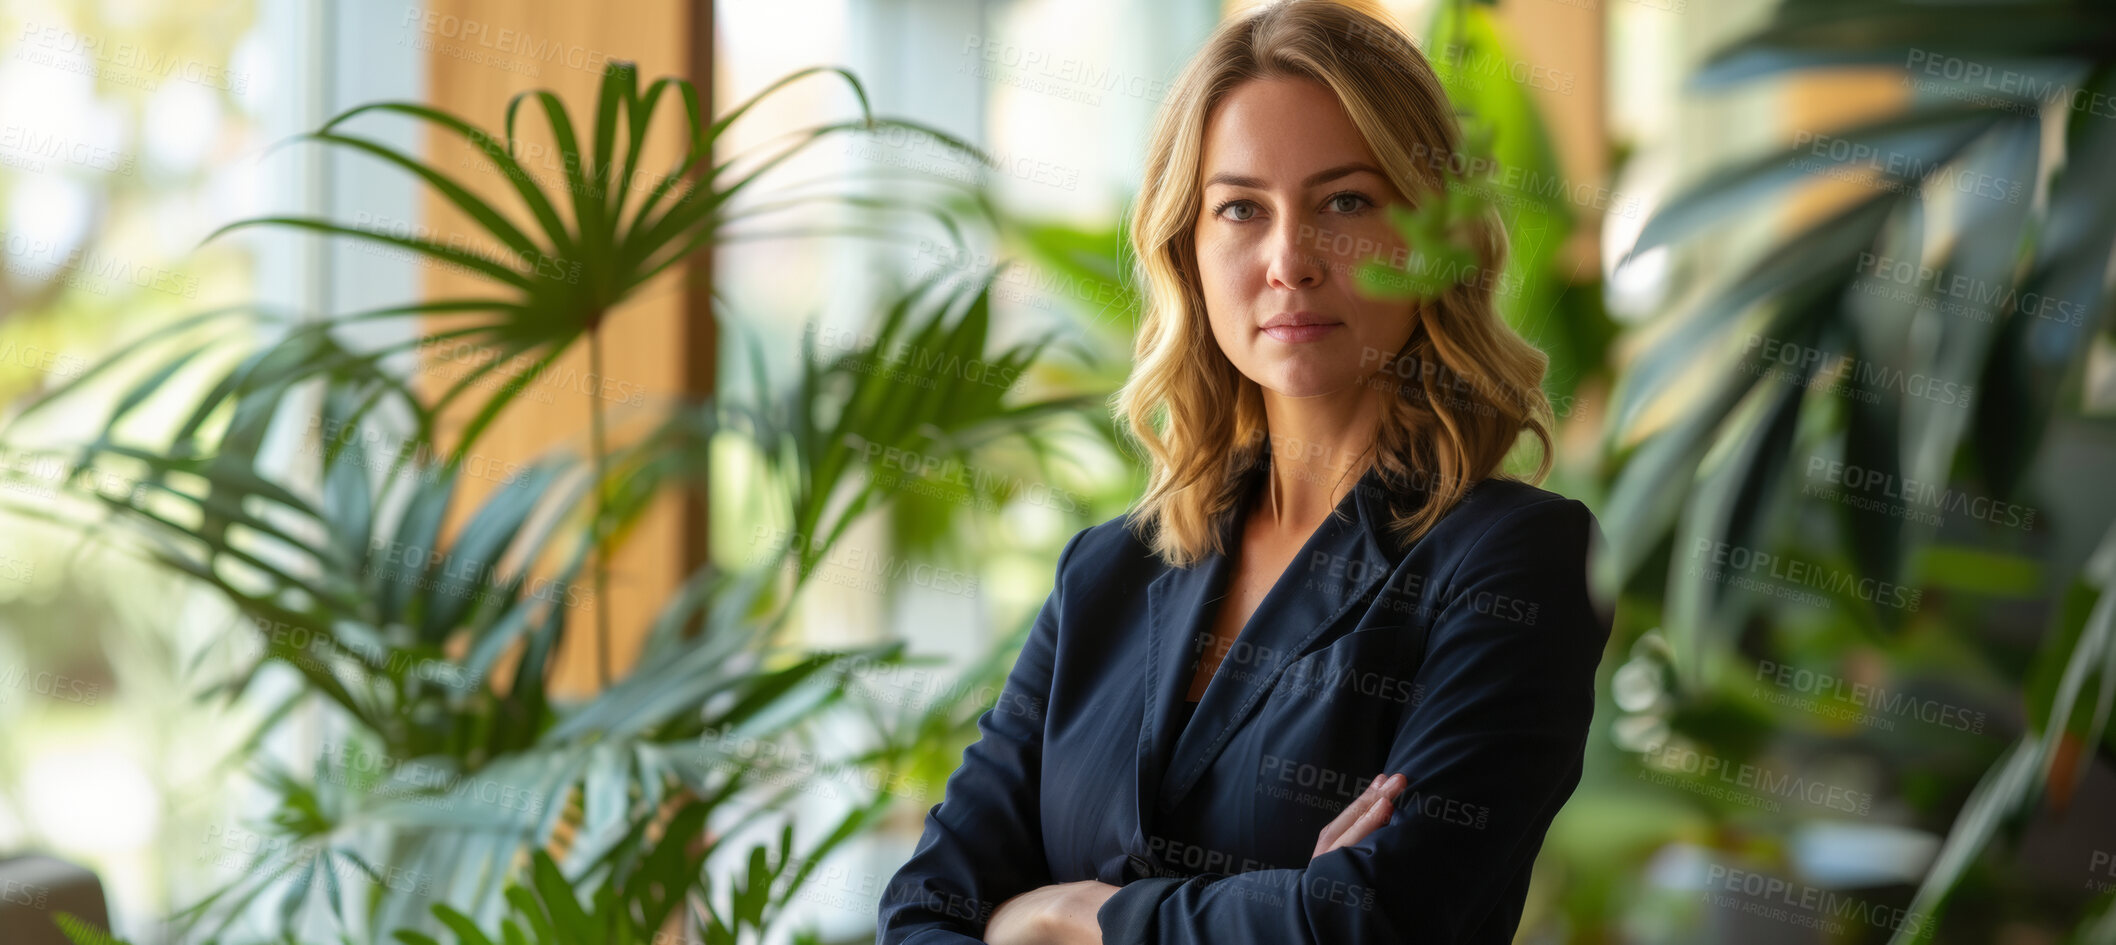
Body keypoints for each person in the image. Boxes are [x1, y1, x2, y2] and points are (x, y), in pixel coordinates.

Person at [876, 2, 1612, 942]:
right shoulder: (1105, 574)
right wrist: (1276, 909)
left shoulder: (1519, 562)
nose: (1289, 260)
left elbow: (1373, 921)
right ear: (1187, 246)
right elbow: (921, 914)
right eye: (1241, 209)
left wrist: (1065, 917)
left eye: (1346, 201)